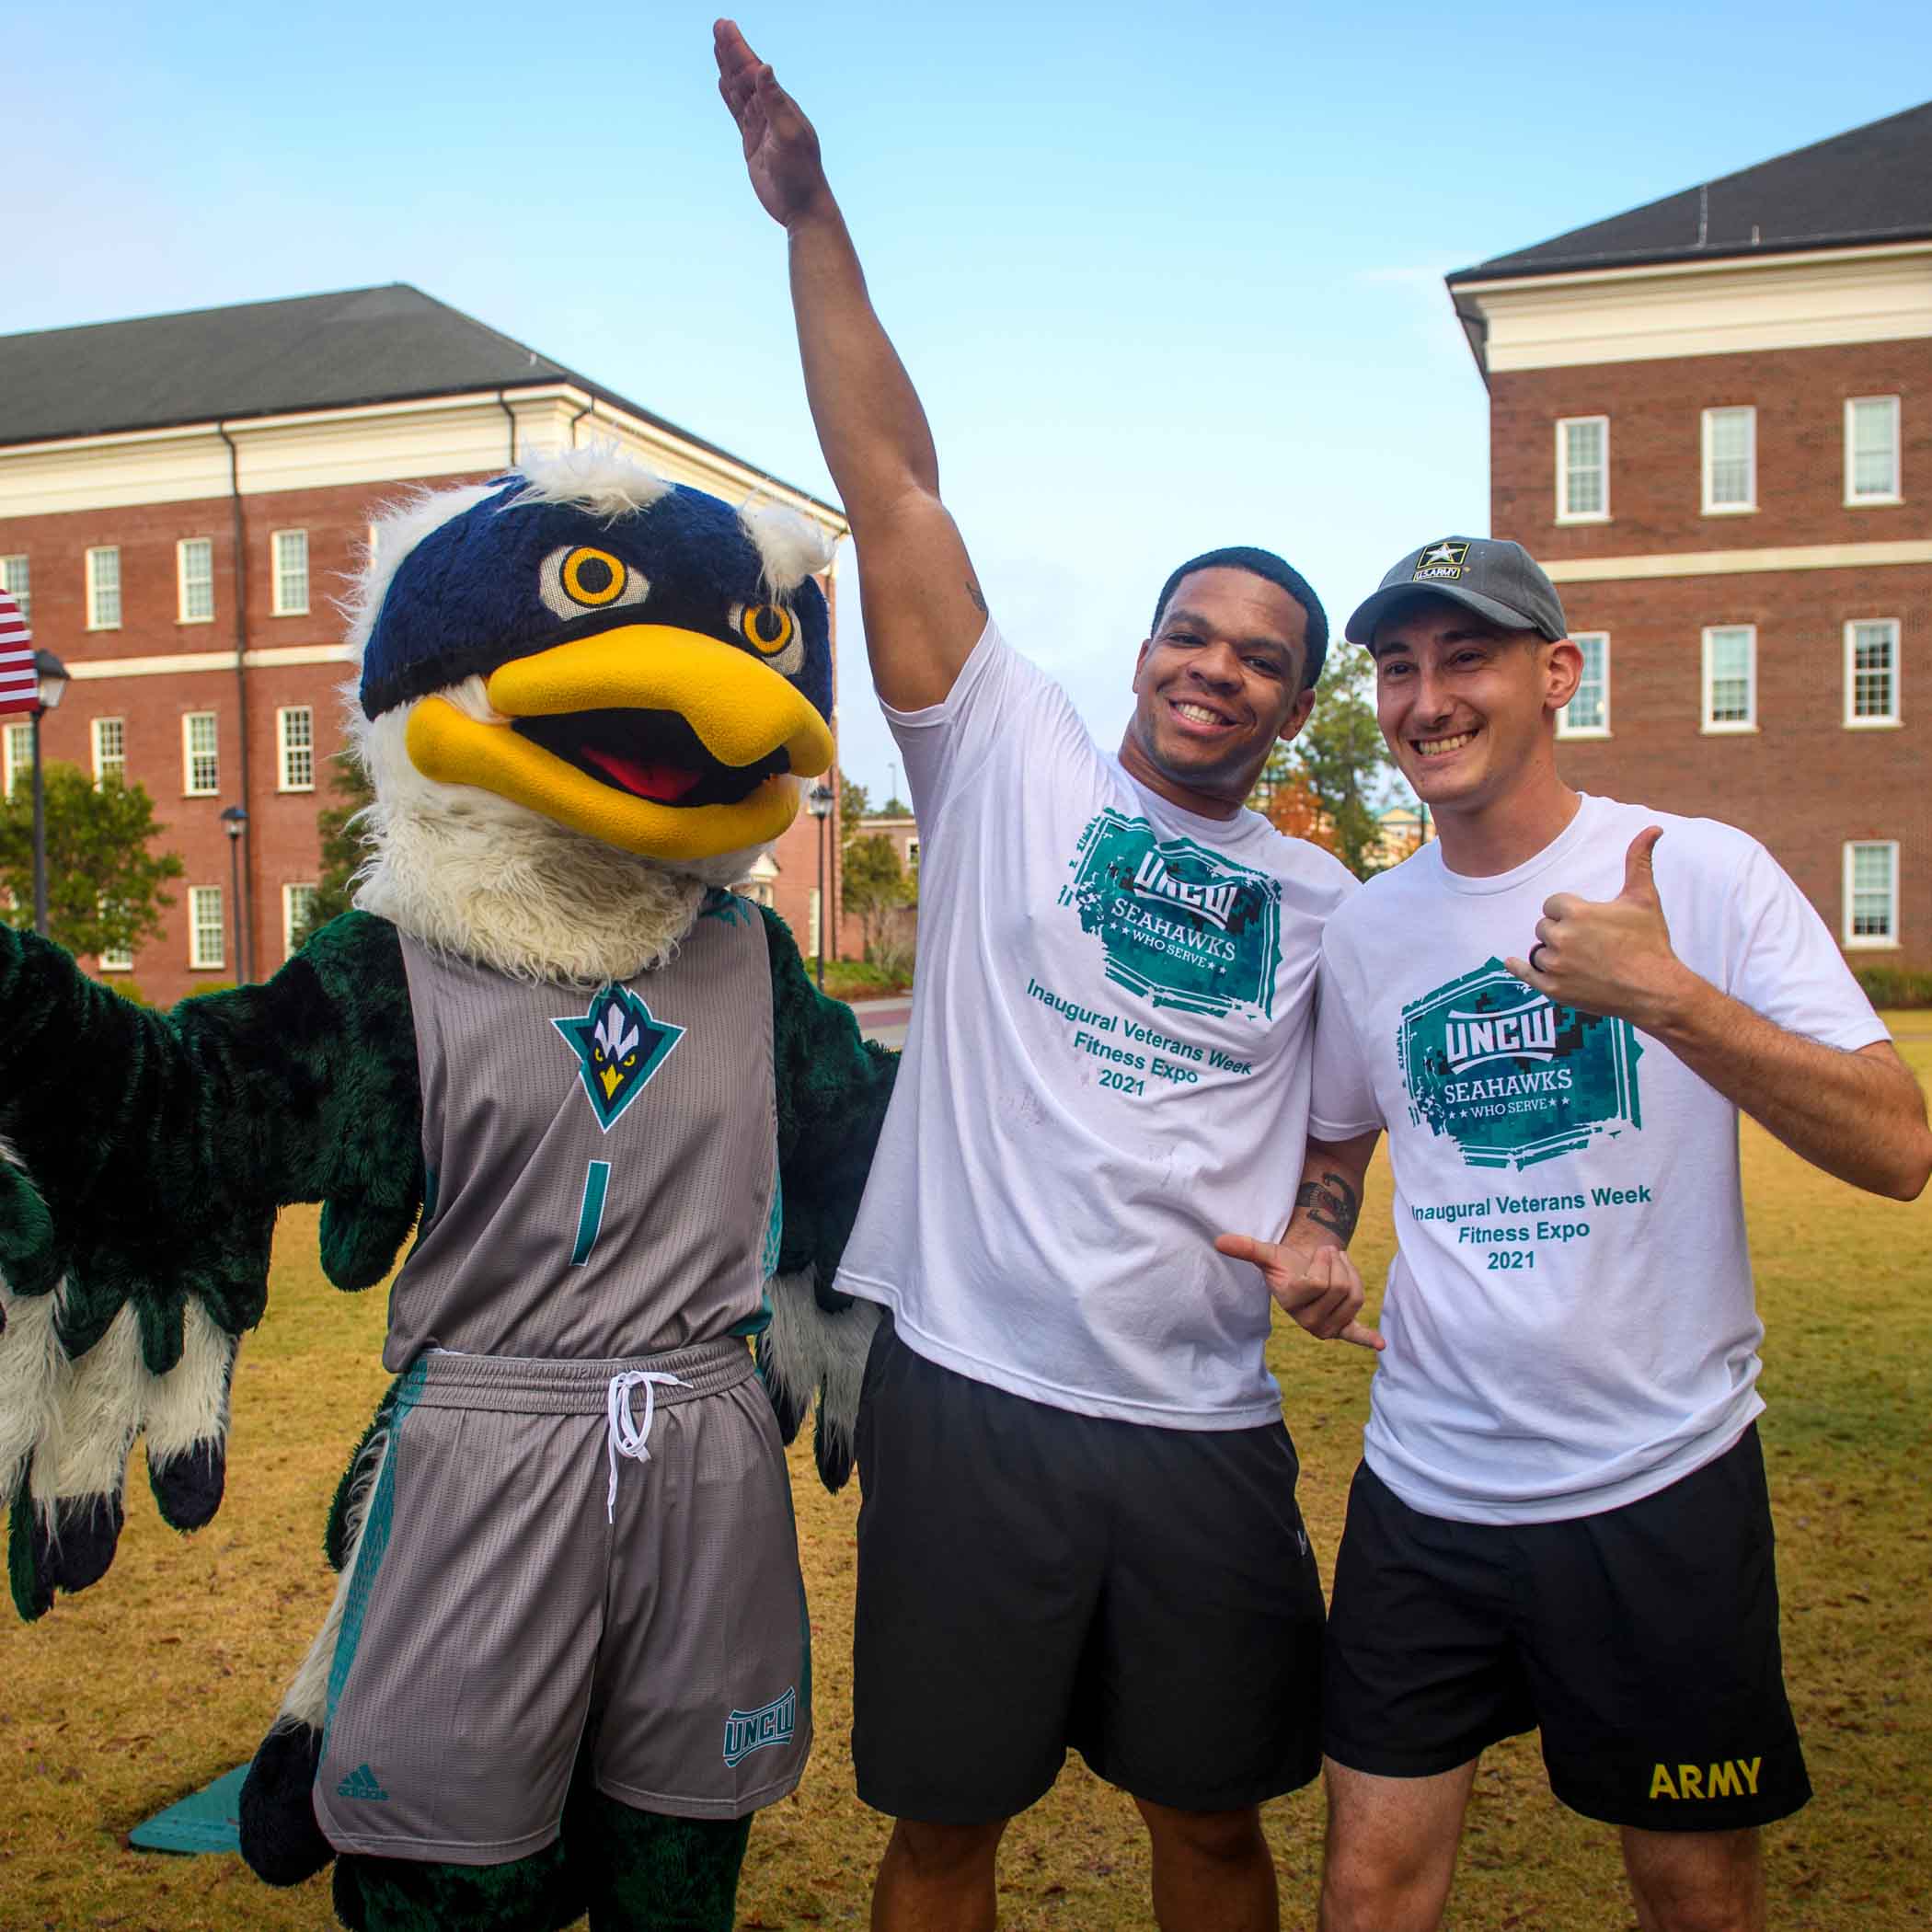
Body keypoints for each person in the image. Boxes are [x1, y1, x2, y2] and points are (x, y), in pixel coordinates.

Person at [715, 21, 1376, 1932]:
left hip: (1201, 1430)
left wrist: (1328, 1220)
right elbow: (893, 478)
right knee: (943, 1831)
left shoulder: (1327, 902)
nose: (1215, 669)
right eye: (1193, 633)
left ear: (1294, 702)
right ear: (1147, 651)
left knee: (1219, 1829)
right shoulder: (1009, 755)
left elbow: (1334, 1130)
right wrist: (813, 215)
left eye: (1261, 656)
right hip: (974, 1395)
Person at [1221, 535, 1932, 1932]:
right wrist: (1315, 1234)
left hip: (1658, 1480)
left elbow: (1900, 1146)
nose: (1426, 699)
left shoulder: (1701, 873)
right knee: (1368, 1889)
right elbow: (1344, 1135)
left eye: (1465, 657)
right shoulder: (1372, 932)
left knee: (1691, 1894)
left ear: (1560, 675)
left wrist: (1671, 998)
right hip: (1427, 1488)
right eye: (1399, 668)